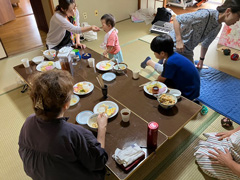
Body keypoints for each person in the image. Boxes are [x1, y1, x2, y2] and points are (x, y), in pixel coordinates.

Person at [18, 70, 108, 180]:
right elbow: (99, 162)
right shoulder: (74, 134)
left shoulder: (28, 122)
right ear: (66, 104)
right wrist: (102, 128)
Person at [169, 0, 240, 68]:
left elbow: (205, 44)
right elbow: (177, 19)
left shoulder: (218, 26)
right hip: (174, 45)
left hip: (187, 51)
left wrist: (201, 59)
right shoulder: (205, 14)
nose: (237, 20)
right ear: (228, 11)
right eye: (238, 16)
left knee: (192, 74)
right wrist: (179, 41)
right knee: (175, 73)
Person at [141, 34, 200, 100]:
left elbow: (160, 80)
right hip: (194, 87)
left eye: (155, 52)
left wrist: (149, 86)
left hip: (188, 92)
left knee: (160, 95)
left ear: (162, 53)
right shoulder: (174, 55)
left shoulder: (169, 62)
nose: (154, 54)